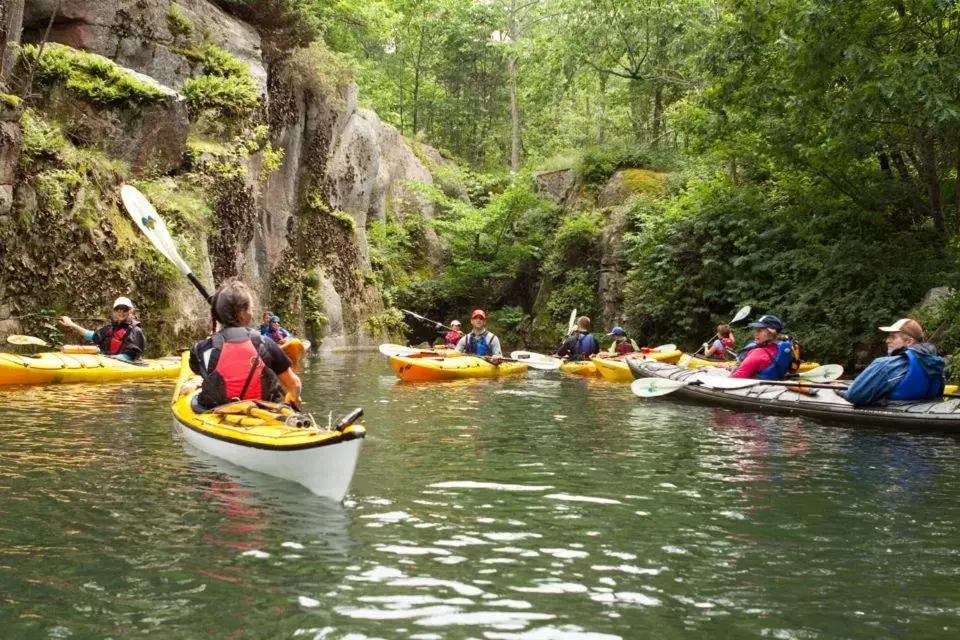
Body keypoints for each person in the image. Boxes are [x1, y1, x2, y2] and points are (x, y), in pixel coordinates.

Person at [188, 279, 302, 411]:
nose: (252, 313)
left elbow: (200, 371)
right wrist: (292, 398)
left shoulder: (201, 348)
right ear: (243, 312)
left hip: (215, 415)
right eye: (251, 308)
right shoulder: (265, 343)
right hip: (263, 413)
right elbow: (295, 384)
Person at [844, 318, 944, 405]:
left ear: (908, 341)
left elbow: (853, 395)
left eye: (893, 337)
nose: (887, 340)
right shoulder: (935, 363)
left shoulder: (885, 364)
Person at [59, 296, 146, 361]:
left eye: (125, 310)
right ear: (114, 311)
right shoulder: (110, 328)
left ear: (130, 310)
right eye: (118, 310)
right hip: (107, 361)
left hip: (122, 365)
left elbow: (131, 355)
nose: (121, 313)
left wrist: (109, 359)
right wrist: (71, 324)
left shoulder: (135, 330)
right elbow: (92, 336)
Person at [730, 314, 799, 380]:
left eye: (759, 330)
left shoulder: (758, 353)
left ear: (771, 333)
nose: (755, 333)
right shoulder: (778, 348)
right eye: (755, 329)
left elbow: (734, 379)